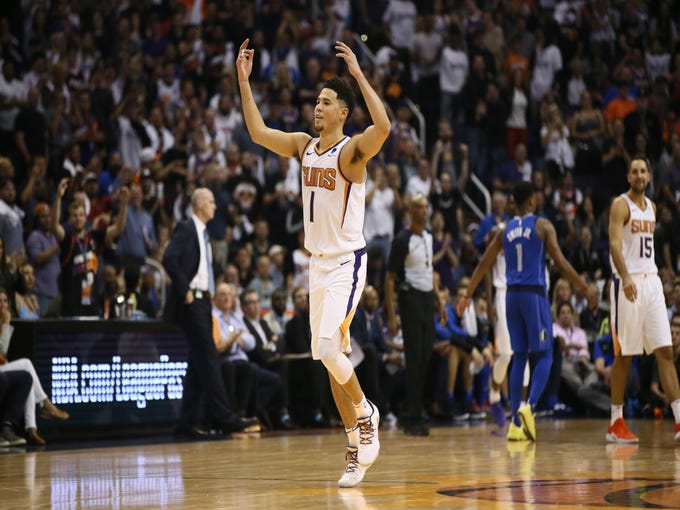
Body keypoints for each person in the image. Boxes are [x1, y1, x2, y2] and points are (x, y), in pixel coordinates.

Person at [237, 37, 389, 488]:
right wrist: (243, 82)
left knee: (326, 348)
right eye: (316, 101)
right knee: (329, 358)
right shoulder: (304, 146)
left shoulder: (351, 152)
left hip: (346, 262)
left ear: (343, 111)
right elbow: (258, 133)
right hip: (316, 266)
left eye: (326, 102)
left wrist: (359, 75)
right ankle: (355, 450)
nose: (317, 107)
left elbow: (383, 128)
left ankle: (367, 415)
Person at [456, 181, 589, 442]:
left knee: (519, 356)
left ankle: (516, 423)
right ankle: (530, 407)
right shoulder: (542, 225)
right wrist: (583, 286)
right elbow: (560, 262)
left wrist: (468, 294)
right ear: (531, 201)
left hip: (511, 297)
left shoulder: (503, 231)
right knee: (546, 354)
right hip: (533, 294)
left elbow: (484, 263)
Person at [162, 187, 257, 439]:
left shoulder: (203, 233)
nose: (216, 206)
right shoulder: (186, 228)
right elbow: (168, 258)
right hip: (192, 300)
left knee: (197, 364)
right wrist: (185, 291)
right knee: (210, 358)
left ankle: (184, 422)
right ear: (201, 204)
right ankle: (226, 418)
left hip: (204, 301)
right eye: (212, 202)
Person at [606, 156, 680, 443]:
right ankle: (615, 422)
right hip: (629, 282)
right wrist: (624, 277)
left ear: (649, 176)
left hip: (652, 283)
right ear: (628, 177)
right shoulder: (620, 204)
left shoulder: (652, 207)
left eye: (643, 171)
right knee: (624, 354)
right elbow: (614, 244)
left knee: (665, 351)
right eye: (634, 171)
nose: (639, 175)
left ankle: (678, 420)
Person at [384, 194, 447, 436]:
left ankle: (413, 410)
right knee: (413, 359)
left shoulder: (429, 237)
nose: (424, 210)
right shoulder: (402, 240)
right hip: (409, 300)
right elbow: (389, 279)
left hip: (426, 300)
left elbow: (429, 272)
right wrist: (392, 315)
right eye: (419, 207)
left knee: (424, 359)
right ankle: (412, 415)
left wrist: (440, 303)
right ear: (410, 211)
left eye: (426, 206)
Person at [0, 287, 67, 445]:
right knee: (27, 364)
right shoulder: (4, 323)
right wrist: (6, 324)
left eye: (4, 301)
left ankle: (31, 429)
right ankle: (47, 405)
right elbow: (2, 352)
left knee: (27, 377)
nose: (2, 305)